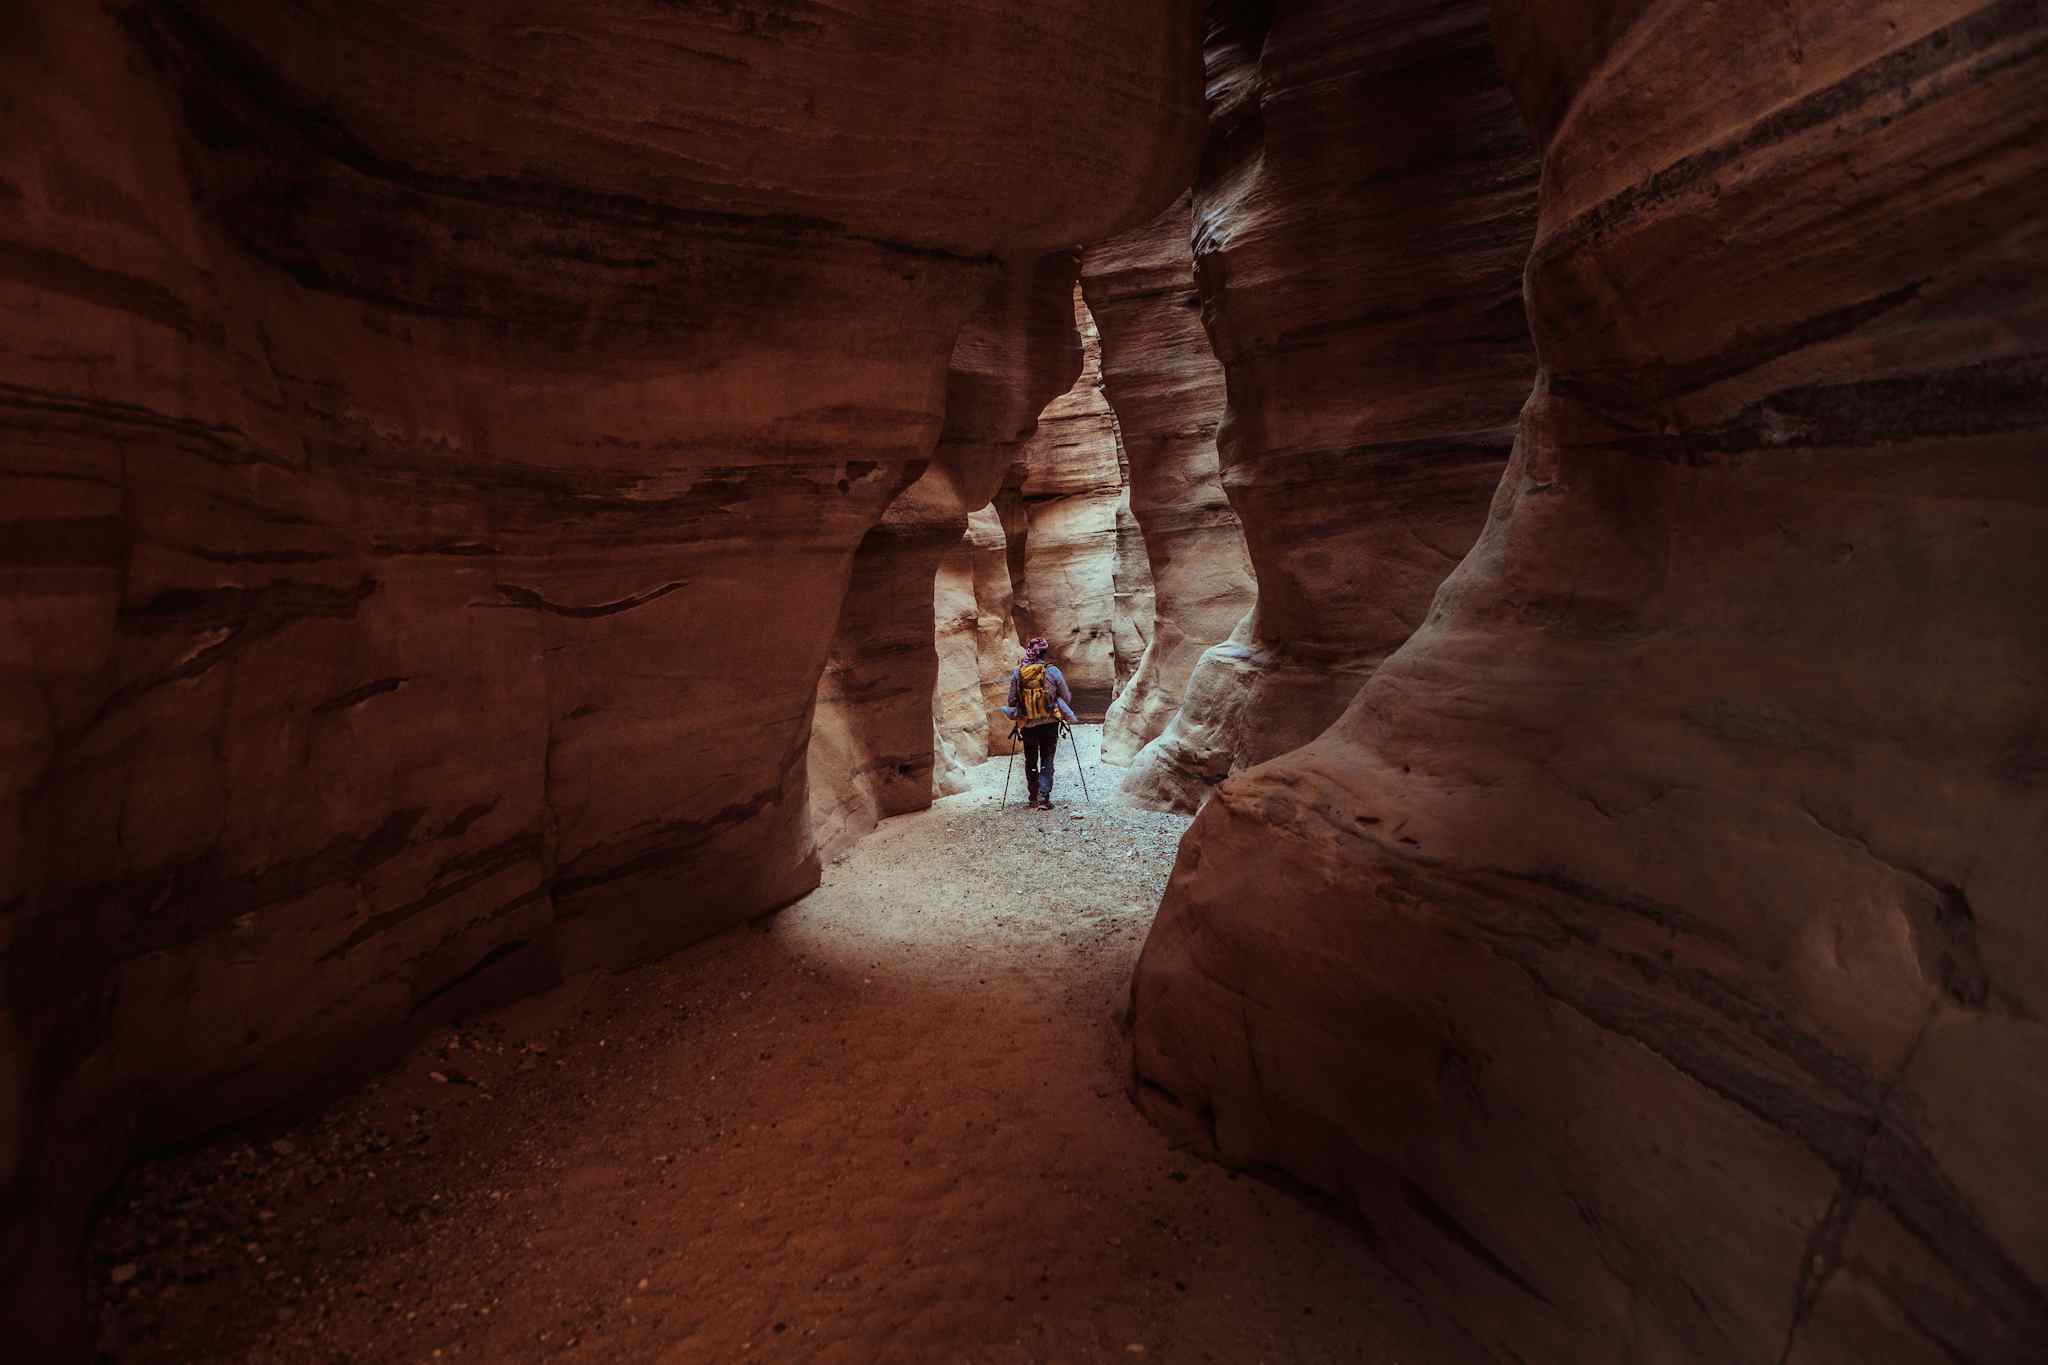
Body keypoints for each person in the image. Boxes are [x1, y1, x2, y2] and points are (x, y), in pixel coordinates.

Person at [1000, 635, 1077, 809]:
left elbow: (1011, 700)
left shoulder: (1018, 672)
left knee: (1030, 759)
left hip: (1028, 724)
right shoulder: (1053, 671)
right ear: (1045, 652)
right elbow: (1067, 697)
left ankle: (1032, 796)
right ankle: (1044, 797)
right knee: (1047, 758)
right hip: (1050, 724)